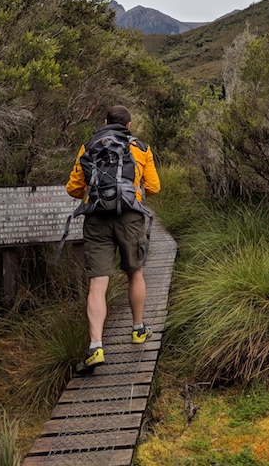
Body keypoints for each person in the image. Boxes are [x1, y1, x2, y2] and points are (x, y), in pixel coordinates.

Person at [66, 105, 161, 372]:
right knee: (135, 272)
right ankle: (138, 329)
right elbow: (154, 187)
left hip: (96, 219)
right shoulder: (141, 148)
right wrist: (133, 193)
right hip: (130, 217)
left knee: (98, 282)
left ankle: (95, 346)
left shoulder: (89, 146)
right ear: (129, 126)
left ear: (105, 122)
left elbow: (73, 188)